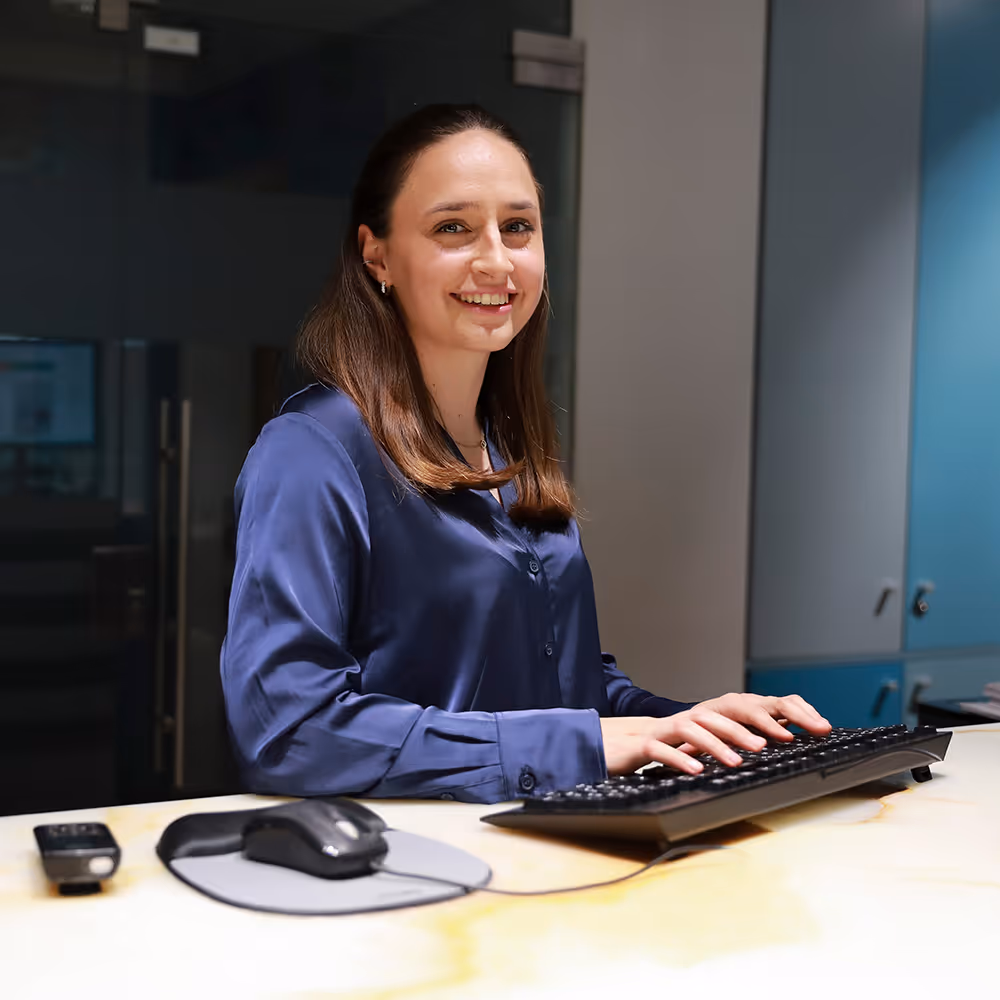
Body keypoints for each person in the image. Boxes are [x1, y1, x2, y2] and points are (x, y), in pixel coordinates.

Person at [220, 104, 831, 803]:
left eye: (517, 227)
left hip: (544, 847)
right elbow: (289, 729)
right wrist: (584, 743)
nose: (496, 259)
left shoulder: (507, 452)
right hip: (416, 860)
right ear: (377, 255)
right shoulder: (313, 451)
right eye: (453, 228)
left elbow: (569, 695)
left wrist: (691, 727)